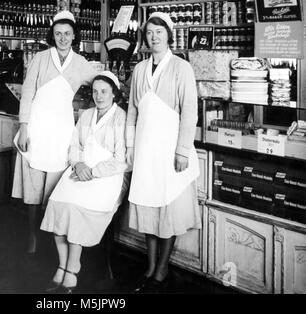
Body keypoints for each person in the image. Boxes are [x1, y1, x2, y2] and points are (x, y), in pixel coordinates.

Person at [125, 12, 202, 293]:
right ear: (144, 38)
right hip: (146, 150)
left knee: (168, 208)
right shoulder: (139, 70)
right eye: (149, 33)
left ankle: (162, 269)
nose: (154, 37)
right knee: (148, 206)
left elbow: (189, 112)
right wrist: (131, 145)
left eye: (159, 32)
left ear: (169, 35)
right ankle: (150, 265)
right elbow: (132, 111)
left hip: (170, 150)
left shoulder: (182, 68)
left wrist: (182, 150)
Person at [11, 11, 97, 255]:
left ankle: (51, 239)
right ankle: (31, 235)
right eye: (58, 34)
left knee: (54, 190)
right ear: (52, 35)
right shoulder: (40, 57)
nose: (63, 38)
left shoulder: (80, 62)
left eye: (67, 34)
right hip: (37, 128)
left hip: (61, 130)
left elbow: (99, 81)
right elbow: (27, 93)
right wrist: (24, 127)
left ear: (74, 36)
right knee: (33, 188)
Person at [40, 71, 130, 293]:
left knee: (77, 208)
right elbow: (74, 146)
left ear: (114, 94)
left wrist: (94, 171)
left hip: (106, 176)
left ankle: (72, 269)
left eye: (104, 91)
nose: (99, 96)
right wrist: (78, 165)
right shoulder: (86, 114)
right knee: (58, 202)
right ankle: (62, 265)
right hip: (79, 170)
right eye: (95, 91)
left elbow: (122, 160)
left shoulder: (121, 118)